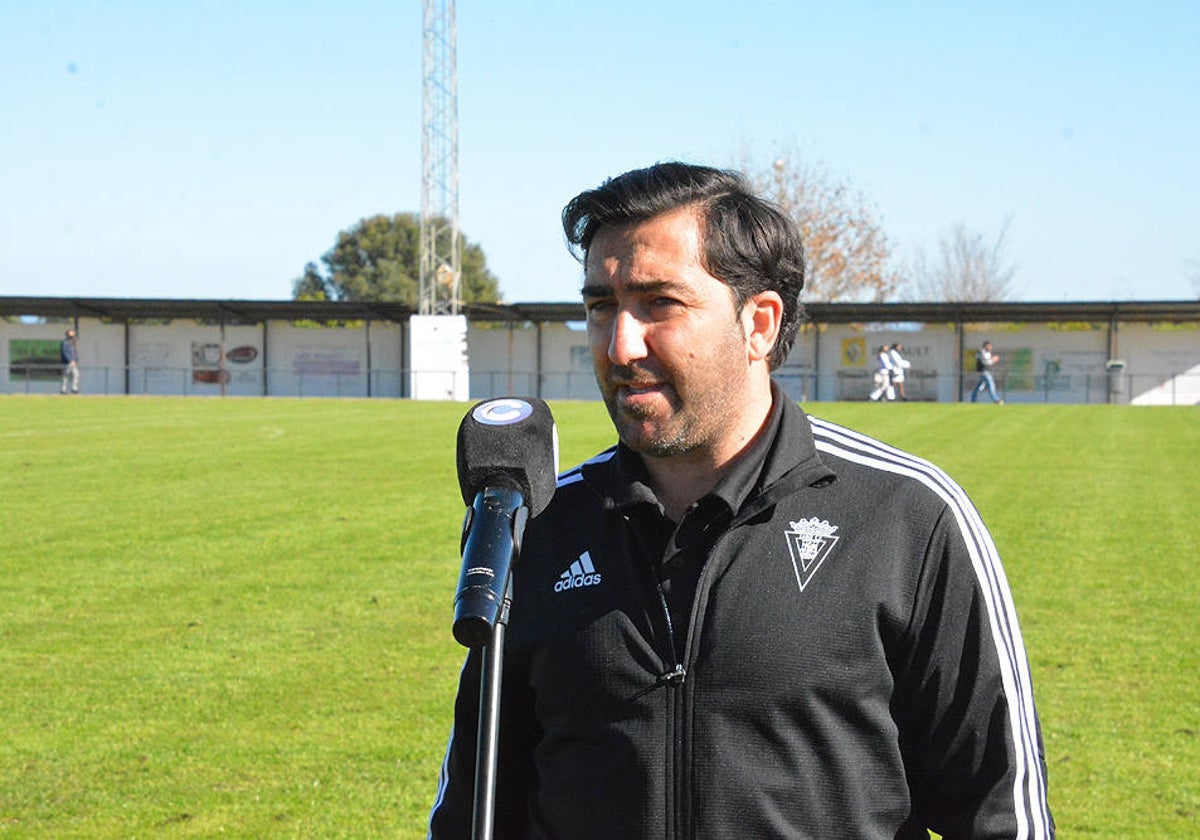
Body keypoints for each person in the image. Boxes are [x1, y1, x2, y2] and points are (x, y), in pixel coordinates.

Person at [429, 162, 1053, 838]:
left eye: (658, 303)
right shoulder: (539, 524)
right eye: (600, 306)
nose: (619, 344)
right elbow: (474, 811)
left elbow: (1000, 815)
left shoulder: (907, 518)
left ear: (759, 323)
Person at [60, 328, 80, 395]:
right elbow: (64, 352)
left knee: (76, 374)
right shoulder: (65, 342)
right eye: (71, 332)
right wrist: (70, 360)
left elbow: (75, 352)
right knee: (66, 375)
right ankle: (63, 390)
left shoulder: (73, 343)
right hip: (67, 363)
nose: (73, 334)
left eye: (73, 333)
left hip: (74, 363)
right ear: (67, 334)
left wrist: (76, 360)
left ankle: (74, 389)